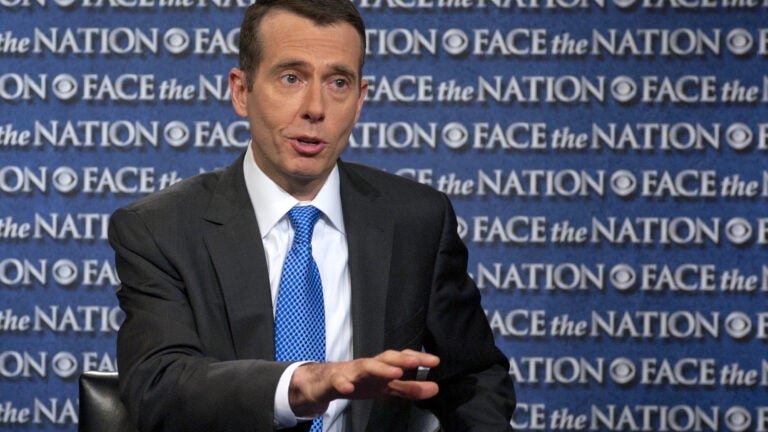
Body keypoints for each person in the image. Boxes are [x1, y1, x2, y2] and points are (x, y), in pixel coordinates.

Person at [107, 0, 516, 430]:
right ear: (241, 91)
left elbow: (474, 377)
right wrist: (302, 384)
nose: (315, 107)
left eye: (338, 82)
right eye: (291, 77)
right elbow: (160, 385)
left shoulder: (417, 221)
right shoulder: (160, 230)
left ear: (359, 100)